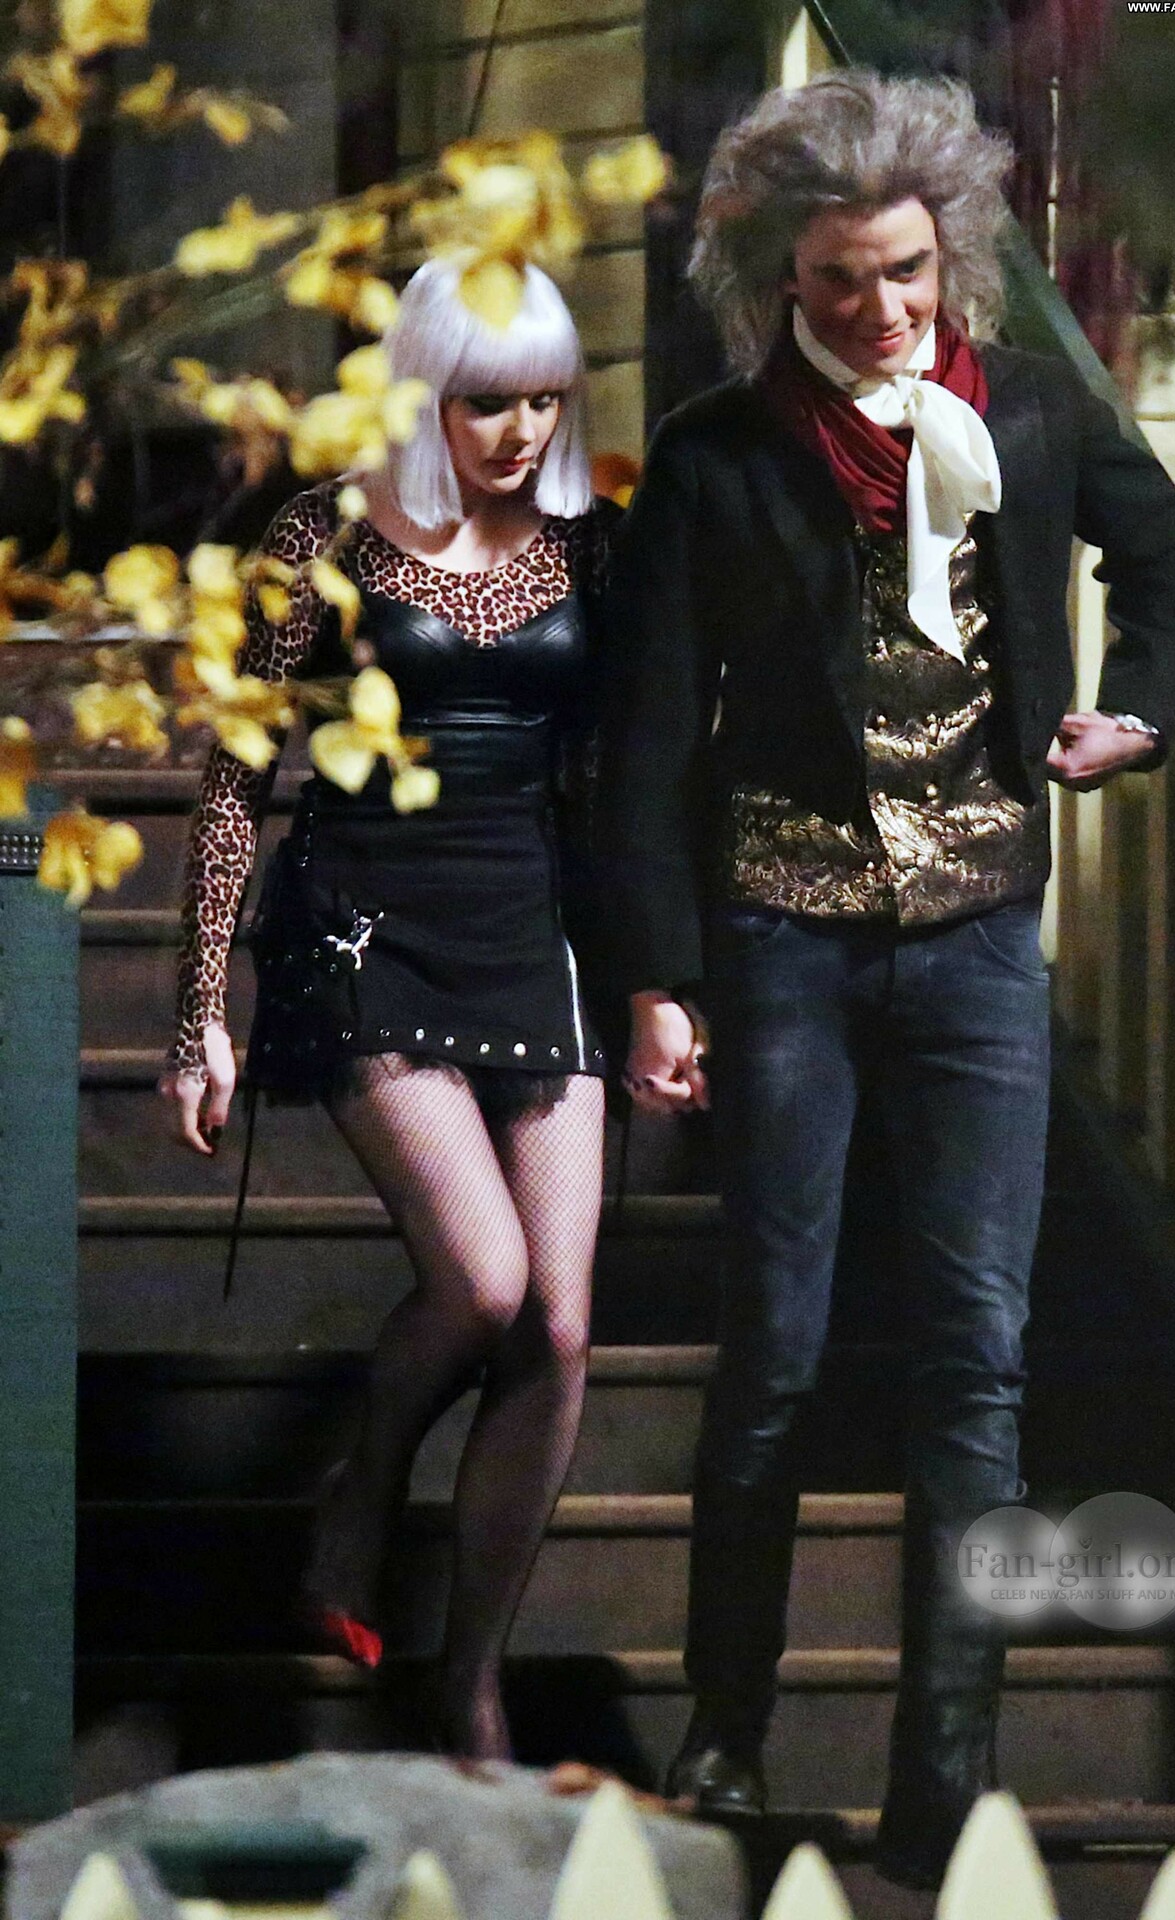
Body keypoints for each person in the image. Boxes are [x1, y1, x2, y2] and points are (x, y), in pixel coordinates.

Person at [597, 70, 1175, 1886]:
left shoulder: (1026, 406)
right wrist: (658, 980)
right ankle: (726, 1729)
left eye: (906, 272)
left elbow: (1173, 561)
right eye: (840, 280)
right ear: (777, 283)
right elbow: (646, 740)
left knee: (976, 1360)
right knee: (776, 1352)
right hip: (782, 934)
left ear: (951, 257)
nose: (881, 308)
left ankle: (948, 1769)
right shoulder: (718, 454)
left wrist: (1140, 714)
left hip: (977, 941)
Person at [160, 258, 612, 1759]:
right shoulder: (325, 536)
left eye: (544, 401)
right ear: (426, 395)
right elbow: (238, 776)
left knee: (558, 1326)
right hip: (366, 924)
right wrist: (199, 1007)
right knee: (482, 1281)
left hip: (532, 928)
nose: (522, 432)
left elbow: (631, 756)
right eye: (489, 404)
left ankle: (469, 1678)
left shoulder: (588, 541)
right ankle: (363, 1483)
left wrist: (663, 979)